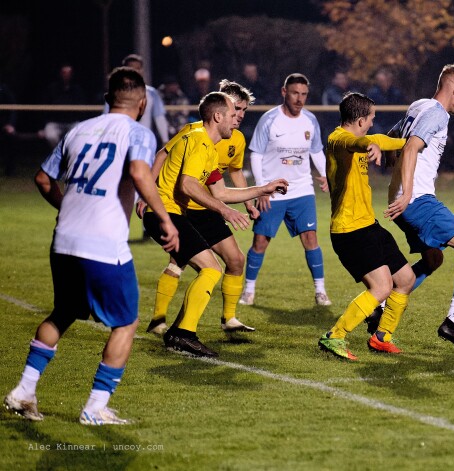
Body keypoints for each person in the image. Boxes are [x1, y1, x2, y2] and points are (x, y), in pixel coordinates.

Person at [4, 67, 179, 425]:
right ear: (143, 103)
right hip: (103, 243)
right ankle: (95, 407)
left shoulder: (78, 131)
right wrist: (164, 218)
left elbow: (42, 178)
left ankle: (24, 390)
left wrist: (67, 206)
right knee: (127, 323)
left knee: (64, 313)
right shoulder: (137, 132)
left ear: (106, 99)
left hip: (65, 238)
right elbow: (140, 173)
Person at [142, 92, 288, 357]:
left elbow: (221, 192)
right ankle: (182, 333)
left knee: (213, 268)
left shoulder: (207, 146)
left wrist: (263, 188)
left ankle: (179, 331)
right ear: (218, 116)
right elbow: (188, 184)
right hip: (165, 213)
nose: (237, 119)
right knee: (210, 269)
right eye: (233, 114)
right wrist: (223, 210)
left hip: (171, 213)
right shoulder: (199, 140)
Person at [383, 64, 454, 351]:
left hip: (403, 203)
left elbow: (393, 141)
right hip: (418, 202)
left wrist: (397, 191)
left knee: (432, 260)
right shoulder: (438, 113)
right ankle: (453, 322)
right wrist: (408, 194)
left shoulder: (419, 106)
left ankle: (379, 305)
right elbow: (410, 147)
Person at [317, 92, 413, 360]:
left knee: (405, 279)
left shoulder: (361, 139)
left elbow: (377, 139)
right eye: (371, 118)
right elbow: (357, 142)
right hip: (349, 231)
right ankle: (334, 336)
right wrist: (368, 146)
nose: (372, 122)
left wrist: (409, 143)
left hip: (368, 225)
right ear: (360, 120)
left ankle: (382, 337)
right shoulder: (338, 140)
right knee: (381, 288)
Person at [240, 73, 332, 307]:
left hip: (302, 191)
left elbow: (316, 151)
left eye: (303, 94)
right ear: (284, 92)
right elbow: (257, 154)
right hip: (273, 192)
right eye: (295, 93)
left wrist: (325, 175)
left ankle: (320, 291)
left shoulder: (310, 120)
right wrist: (262, 189)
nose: (299, 99)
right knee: (260, 241)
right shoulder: (270, 119)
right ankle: (248, 290)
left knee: (311, 238)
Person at [114, 54, 170, 147]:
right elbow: (107, 117)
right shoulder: (115, 93)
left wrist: (165, 141)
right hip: (121, 141)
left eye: (138, 68)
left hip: (144, 141)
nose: (135, 71)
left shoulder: (151, 93)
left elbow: (159, 117)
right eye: (131, 68)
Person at [38, 63, 88, 148]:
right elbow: (44, 109)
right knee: (51, 136)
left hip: (72, 122)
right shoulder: (52, 88)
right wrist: (42, 127)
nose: (67, 75)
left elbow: (82, 109)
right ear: (60, 74)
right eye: (64, 73)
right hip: (55, 122)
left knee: (80, 136)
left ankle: (70, 156)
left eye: (69, 73)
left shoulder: (77, 90)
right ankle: (58, 155)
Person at [367, 68, 406, 135]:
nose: (384, 83)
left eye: (386, 80)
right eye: (380, 81)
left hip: (392, 123)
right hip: (377, 124)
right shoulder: (372, 94)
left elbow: (400, 114)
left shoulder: (396, 94)